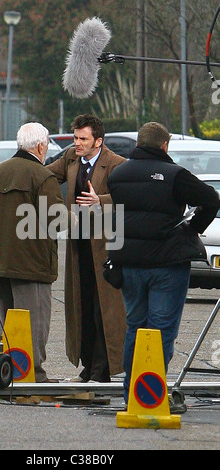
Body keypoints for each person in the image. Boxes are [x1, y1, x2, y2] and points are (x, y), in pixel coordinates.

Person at [107, 121, 220, 402]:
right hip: (166, 265)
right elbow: (211, 199)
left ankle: (131, 393)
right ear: (164, 145)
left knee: (135, 325)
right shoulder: (173, 175)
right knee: (161, 330)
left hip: (129, 263)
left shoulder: (118, 174)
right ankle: (152, 394)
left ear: (137, 144)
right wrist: (194, 227)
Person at [0, 122, 65, 383]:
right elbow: (57, 221)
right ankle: (34, 374)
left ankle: (4, 372)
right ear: (40, 146)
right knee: (34, 324)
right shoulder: (42, 177)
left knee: (3, 325)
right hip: (32, 265)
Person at [47, 114, 127, 382]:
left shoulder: (116, 164)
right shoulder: (71, 157)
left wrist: (100, 200)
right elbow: (46, 176)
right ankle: (88, 364)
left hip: (105, 249)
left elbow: (127, 197)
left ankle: (101, 369)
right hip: (79, 247)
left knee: (103, 309)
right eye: (75, 137)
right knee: (81, 306)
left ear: (99, 141)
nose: (77, 143)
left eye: (83, 139)